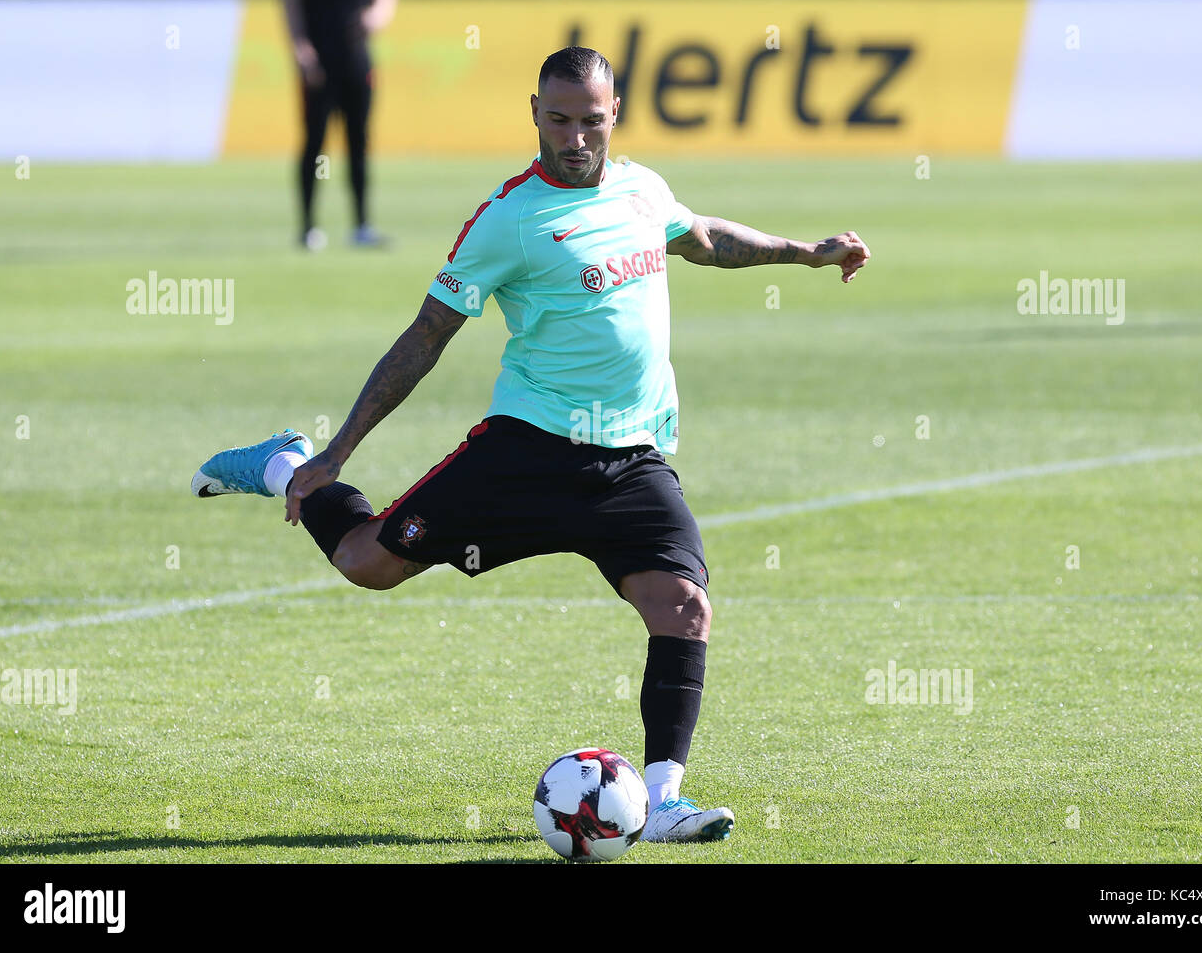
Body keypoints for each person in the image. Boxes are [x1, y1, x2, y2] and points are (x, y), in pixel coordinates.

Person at [193, 46, 870, 844]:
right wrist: (335, 454)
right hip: (528, 451)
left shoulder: (643, 189)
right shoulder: (508, 218)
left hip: (630, 461)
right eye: (558, 119)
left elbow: (705, 238)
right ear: (535, 113)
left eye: (591, 119)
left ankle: (663, 801)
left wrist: (804, 252)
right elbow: (426, 336)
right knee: (368, 565)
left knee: (684, 606)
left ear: (614, 112)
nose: (576, 137)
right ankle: (284, 463)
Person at [282, 0, 396, 250]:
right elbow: (290, 3)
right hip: (318, 64)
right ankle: (308, 227)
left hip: (356, 59)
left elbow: (385, 3)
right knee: (314, 143)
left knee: (359, 143)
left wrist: (378, 14)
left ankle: (362, 226)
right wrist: (300, 45)